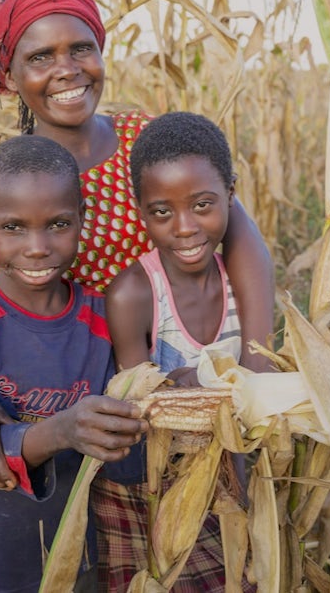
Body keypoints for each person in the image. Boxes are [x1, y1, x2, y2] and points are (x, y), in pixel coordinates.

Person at [0, 0, 274, 588]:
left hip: (177, 419)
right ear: (7, 76)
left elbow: (239, 234)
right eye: (39, 56)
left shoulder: (143, 143)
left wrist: (256, 365)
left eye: (81, 48)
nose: (66, 69)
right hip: (60, 433)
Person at [0, 135, 147, 592]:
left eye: (58, 224)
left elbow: (127, 451)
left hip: (77, 553)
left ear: (82, 221)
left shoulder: (106, 318)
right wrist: (66, 430)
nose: (38, 247)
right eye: (14, 228)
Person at [102, 111, 255, 591]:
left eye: (202, 205)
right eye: (161, 212)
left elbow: (259, 373)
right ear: (141, 210)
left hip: (234, 476)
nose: (184, 228)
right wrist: (177, 388)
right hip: (152, 490)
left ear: (231, 193)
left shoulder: (242, 280)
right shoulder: (134, 293)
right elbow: (137, 395)